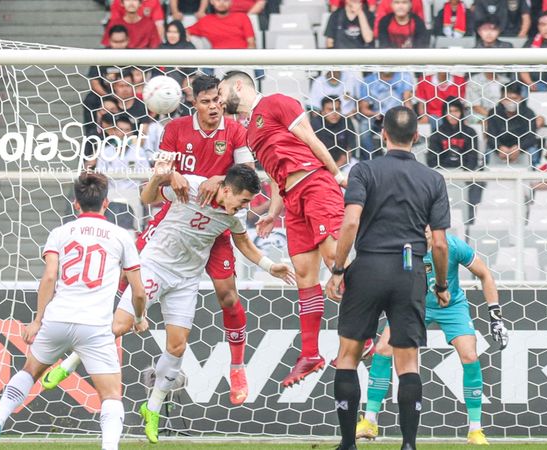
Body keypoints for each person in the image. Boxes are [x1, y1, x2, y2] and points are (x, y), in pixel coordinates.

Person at [43, 75, 259, 406]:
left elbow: (247, 170)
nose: (214, 106)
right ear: (194, 103)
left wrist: (218, 178)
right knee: (123, 277)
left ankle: (238, 367)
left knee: (228, 296)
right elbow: (160, 169)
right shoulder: (175, 130)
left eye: (218, 99)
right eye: (206, 101)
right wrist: (173, 175)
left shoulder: (234, 131)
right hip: (172, 219)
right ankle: (80, 350)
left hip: (216, 224)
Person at [0, 172, 147, 450]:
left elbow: (49, 277)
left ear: (76, 203)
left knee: (29, 371)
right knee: (111, 395)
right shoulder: (121, 236)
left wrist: (38, 320)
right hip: (95, 326)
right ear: (107, 203)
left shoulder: (60, 233)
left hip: (57, 319)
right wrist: (138, 317)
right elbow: (138, 291)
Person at [126, 163, 294, 443]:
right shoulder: (188, 185)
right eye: (244, 201)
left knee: (218, 306)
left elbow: (244, 242)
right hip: (163, 255)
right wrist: (167, 174)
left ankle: (236, 367)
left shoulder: (232, 217)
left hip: (188, 272)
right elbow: (149, 194)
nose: (245, 207)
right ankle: (72, 360)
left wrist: (268, 265)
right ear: (228, 190)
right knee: (122, 310)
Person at [325, 105, 451, 450]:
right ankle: (408, 445)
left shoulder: (364, 170)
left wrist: (338, 269)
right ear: (416, 137)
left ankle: (348, 444)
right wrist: (440, 284)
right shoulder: (433, 179)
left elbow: (349, 223)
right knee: (407, 360)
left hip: (367, 266)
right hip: (409, 270)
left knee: (348, 354)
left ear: (383, 135)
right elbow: (439, 243)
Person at [219, 70, 347, 387]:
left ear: (238, 85)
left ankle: (364, 334)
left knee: (335, 262)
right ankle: (310, 354)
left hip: (316, 185)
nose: (219, 100)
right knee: (304, 274)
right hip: (292, 201)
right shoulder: (249, 133)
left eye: (221, 92)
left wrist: (336, 174)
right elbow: (277, 176)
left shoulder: (277, 102)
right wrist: (273, 213)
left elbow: (310, 138)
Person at [357, 228, 508, 446]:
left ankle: (475, 429)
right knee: (382, 349)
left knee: (470, 356)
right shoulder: (406, 248)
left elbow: (485, 273)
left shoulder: (452, 246)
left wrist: (496, 317)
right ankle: (369, 420)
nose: (426, 231)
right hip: (412, 305)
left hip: (452, 305)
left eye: (430, 227)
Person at [484, 81, 544, 166]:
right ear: (501, 99)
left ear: (521, 98)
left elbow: (531, 137)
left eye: (514, 98)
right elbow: (490, 135)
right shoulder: (493, 112)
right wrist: (499, 147)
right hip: (500, 147)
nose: (510, 102)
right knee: (488, 152)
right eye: (507, 99)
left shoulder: (528, 113)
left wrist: (519, 147)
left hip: (522, 147)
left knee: (532, 151)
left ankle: (534, 174)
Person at [358, 71, 414, 154]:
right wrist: (375, 114)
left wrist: (410, 118)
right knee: (364, 127)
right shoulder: (368, 80)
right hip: (378, 118)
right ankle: (370, 158)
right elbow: (363, 109)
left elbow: (407, 102)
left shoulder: (404, 77)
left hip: (398, 116)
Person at [186, 0, 255, 49]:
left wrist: (248, 60)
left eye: (225, 0)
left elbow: (251, 42)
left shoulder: (242, 17)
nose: (222, 3)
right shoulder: (206, 21)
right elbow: (184, 31)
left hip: (242, 57)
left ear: (231, 2)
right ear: (212, 1)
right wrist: (187, 37)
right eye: (218, 0)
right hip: (218, 60)